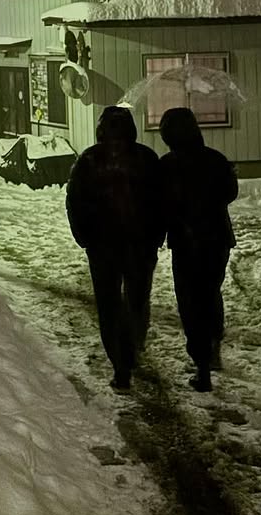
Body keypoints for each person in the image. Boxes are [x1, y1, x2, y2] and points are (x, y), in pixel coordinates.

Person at [66, 106, 164, 390]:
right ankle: (132, 348)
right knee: (136, 300)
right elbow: (162, 202)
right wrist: (156, 236)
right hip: (141, 246)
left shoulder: (89, 160)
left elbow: (74, 202)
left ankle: (120, 365)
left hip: (102, 248)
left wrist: (85, 237)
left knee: (109, 305)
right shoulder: (146, 158)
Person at [158, 107, 238, 393]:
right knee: (210, 292)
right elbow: (230, 193)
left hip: (185, 242)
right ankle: (214, 339)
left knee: (190, 302)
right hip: (217, 240)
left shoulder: (167, 165)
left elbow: (161, 205)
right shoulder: (216, 160)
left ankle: (202, 366)